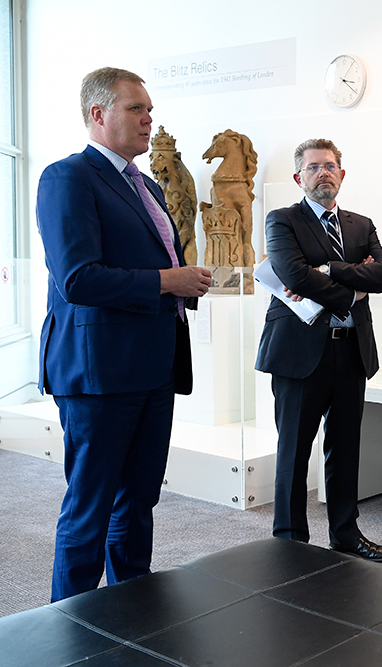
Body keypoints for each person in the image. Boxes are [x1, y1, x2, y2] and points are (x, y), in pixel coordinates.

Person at [36, 67, 213, 601]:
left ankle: (131, 614)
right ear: (98, 114)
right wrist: (168, 281)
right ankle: (67, 628)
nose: (148, 119)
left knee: (138, 502)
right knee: (89, 510)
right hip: (100, 372)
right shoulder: (67, 177)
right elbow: (77, 278)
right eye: (136, 108)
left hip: (154, 367)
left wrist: (185, 283)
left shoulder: (148, 185)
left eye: (150, 109)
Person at [255, 139, 382, 561]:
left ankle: (346, 535)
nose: (323, 173)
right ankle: (290, 541)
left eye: (330, 166)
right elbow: (294, 275)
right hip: (299, 352)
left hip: (351, 351)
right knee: (294, 451)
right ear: (299, 177)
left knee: (345, 449)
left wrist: (330, 269)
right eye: (314, 167)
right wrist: (352, 292)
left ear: (342, 174)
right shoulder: (283, 220)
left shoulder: (361, 225)